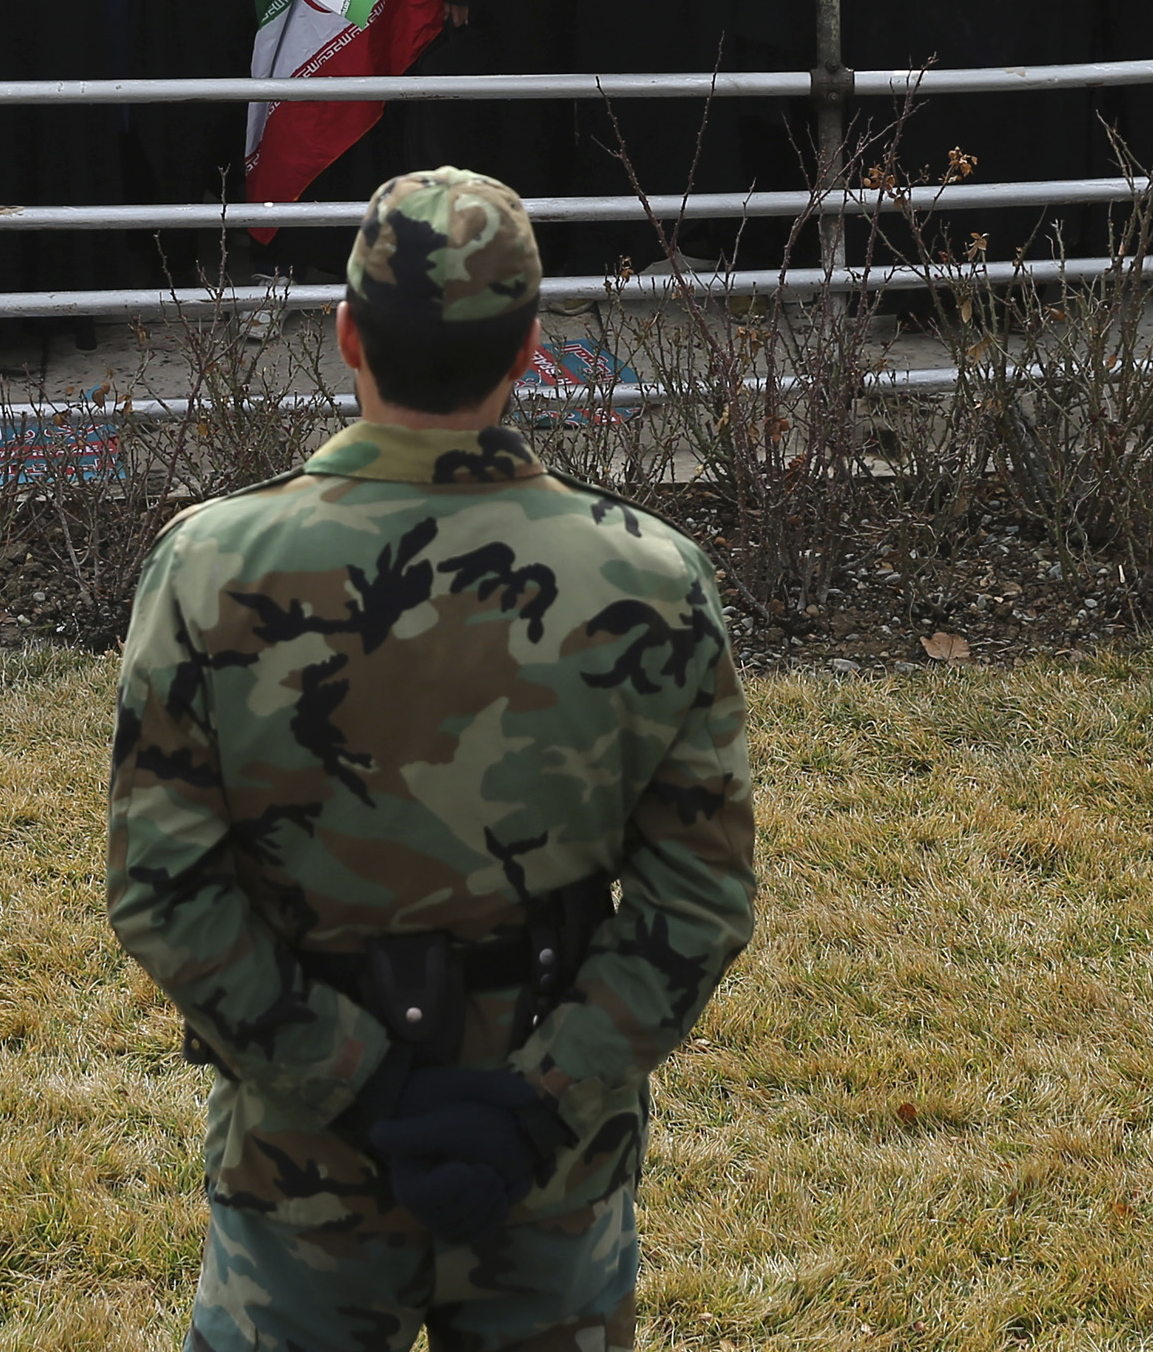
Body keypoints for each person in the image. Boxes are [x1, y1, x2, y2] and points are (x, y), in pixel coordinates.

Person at [107, 167, 755, 1350]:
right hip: (546, 1172)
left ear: (345, 332)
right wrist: (536, 1099)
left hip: (302, 1161)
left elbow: (165, 894)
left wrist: (364, 1084)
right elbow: (698, 900)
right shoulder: (651, 578)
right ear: (531, 351)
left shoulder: (209, 568)